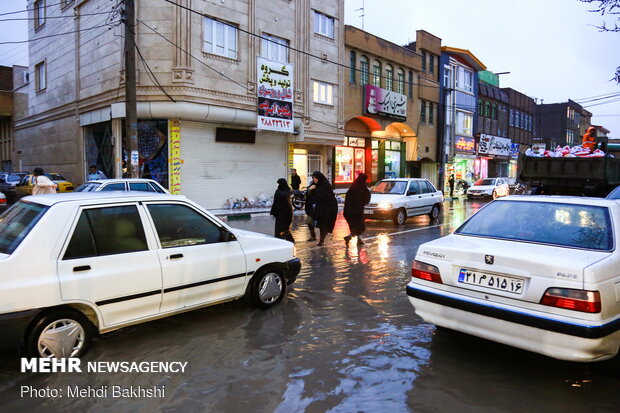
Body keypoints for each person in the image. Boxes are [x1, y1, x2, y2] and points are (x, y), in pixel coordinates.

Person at [309, 171, 338, 246]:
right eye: (313, 178)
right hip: (319, 208)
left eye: (315, 178)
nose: (314, 179)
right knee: (312, 222)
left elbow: (324, 196)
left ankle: (321, 240)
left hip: (328, 208)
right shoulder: (315, 184)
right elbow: (310, 194)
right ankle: (314, 236)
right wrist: (310, 189)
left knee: (323, 224)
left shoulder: (325, 185)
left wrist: (314, 189)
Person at [343, 173, 371, 246]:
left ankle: (359, 240)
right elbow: (366, 198)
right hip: (357, 211)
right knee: (359, 226)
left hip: (348, 211)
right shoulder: (362, 188)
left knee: (355, 226)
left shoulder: (353, 187)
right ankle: (349, 237)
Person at [270, 178, 295, 243]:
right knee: (280, 230)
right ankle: (289, 241)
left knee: (284, 230)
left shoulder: (286, 192)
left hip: (286, 214)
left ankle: (289, 241)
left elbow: (286, 203)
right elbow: (275, 202)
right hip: (280, 214)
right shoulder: (281, 191)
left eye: (279, 184)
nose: (278, 185)